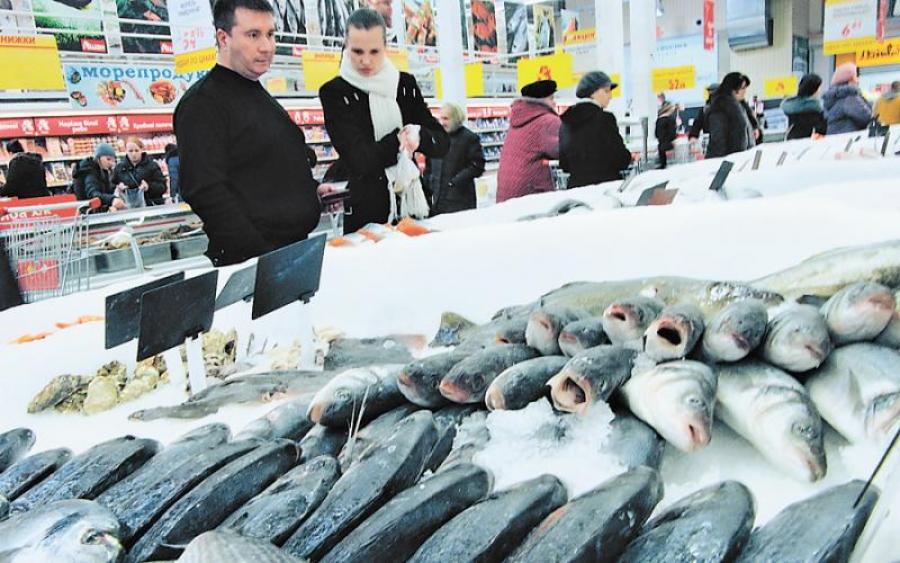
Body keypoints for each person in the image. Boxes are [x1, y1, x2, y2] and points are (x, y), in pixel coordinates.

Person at [175, 0, 326, 266]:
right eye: (253, 35)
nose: (266, 46)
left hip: (292, 250)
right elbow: (205, 190)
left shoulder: (257, 92)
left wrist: (311, 191)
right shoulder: (202, 103)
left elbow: (263, 168)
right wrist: (260, 255)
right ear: (223, 38)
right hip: (256, 262)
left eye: (270, 34)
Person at [319, 8, 449, 232]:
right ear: (346, 45)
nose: (366, 60)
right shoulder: (335, 92)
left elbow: (442, 143)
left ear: (385, 47)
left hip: (413, 209)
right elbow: (360, 160)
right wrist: (399, 140)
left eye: (374, 51)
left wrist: (420, 136)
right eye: (357, 51)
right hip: (366, 218)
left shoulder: (405, 85)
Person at [559, 72, 632, 187]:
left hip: (575, 189)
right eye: (606, 91)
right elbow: (620, 159)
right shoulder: (605, 119)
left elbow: (564, 164)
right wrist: (629, 157)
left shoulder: (566, 121)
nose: (610, 96)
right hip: (605, 187)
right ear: (593, 93)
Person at [496, 79, 560, 202]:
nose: (554, 103)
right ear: (541, 101)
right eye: (551, 98)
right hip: (531, 194)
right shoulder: (548, 121)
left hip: (507, 192)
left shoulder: (517, 120)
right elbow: (562, 151)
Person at [425, 102, 485, 216]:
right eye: (441, 118)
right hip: (436, 202)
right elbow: (429, 166)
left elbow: (477, 166)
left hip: (460, 202)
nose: (442, 123)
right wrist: (428, 183)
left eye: (446, 119)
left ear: (456, 119)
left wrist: (455, 182)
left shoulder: (469, 138)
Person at [705, 72, 755, 158]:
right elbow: (719, 140)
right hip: (727, 159)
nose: (745, 91)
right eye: (743, 88)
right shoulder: (719, 108)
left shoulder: (739, 106)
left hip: (740, 156)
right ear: (733, 89)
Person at [111, 137, 167, 207]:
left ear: (141, 149)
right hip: (128, 208)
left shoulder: (152, 165)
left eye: (136, 150)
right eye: (130, 151)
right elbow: (111, 187)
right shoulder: (119, 168)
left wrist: (149, 186)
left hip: (150, 206)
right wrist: (118, 188)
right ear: (126, 151)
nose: (134, 154)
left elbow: (163, 187)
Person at [72, 144, 124, 212]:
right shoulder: (90, 171)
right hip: (89, 211)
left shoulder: (103, 170)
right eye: (108, 159)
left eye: (113, 160)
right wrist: (112, 199)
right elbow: (92, 193)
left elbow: (104, 191)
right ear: (98, 157)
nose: (111, 163)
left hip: (97, 209)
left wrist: (116, 187)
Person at [823, 62, 872, 135]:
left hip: (835, 138)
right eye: (856, 76)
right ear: (850, 79)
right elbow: (866, 117)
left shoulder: (834, 97)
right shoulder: (849, 97)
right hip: (849, 138)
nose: (858, 80)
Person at [781, 73, 827, 140]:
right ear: (814, 90)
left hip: (791, 139)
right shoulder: (816, 110)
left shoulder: (791, 107)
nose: (820, 90)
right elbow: (821, 132)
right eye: (819, 87)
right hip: (810, 142)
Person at [688, 82, 718, 147]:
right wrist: (693, 136)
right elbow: (697, 124)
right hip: (710, 141)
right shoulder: (705, 109)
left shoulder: (728, 108)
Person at [655, 101, 678, 169]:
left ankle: (663, 164)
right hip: (669, 143)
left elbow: (656, 133)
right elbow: (672, 132)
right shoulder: (670, 119)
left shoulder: (659, 119)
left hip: (661, 144)